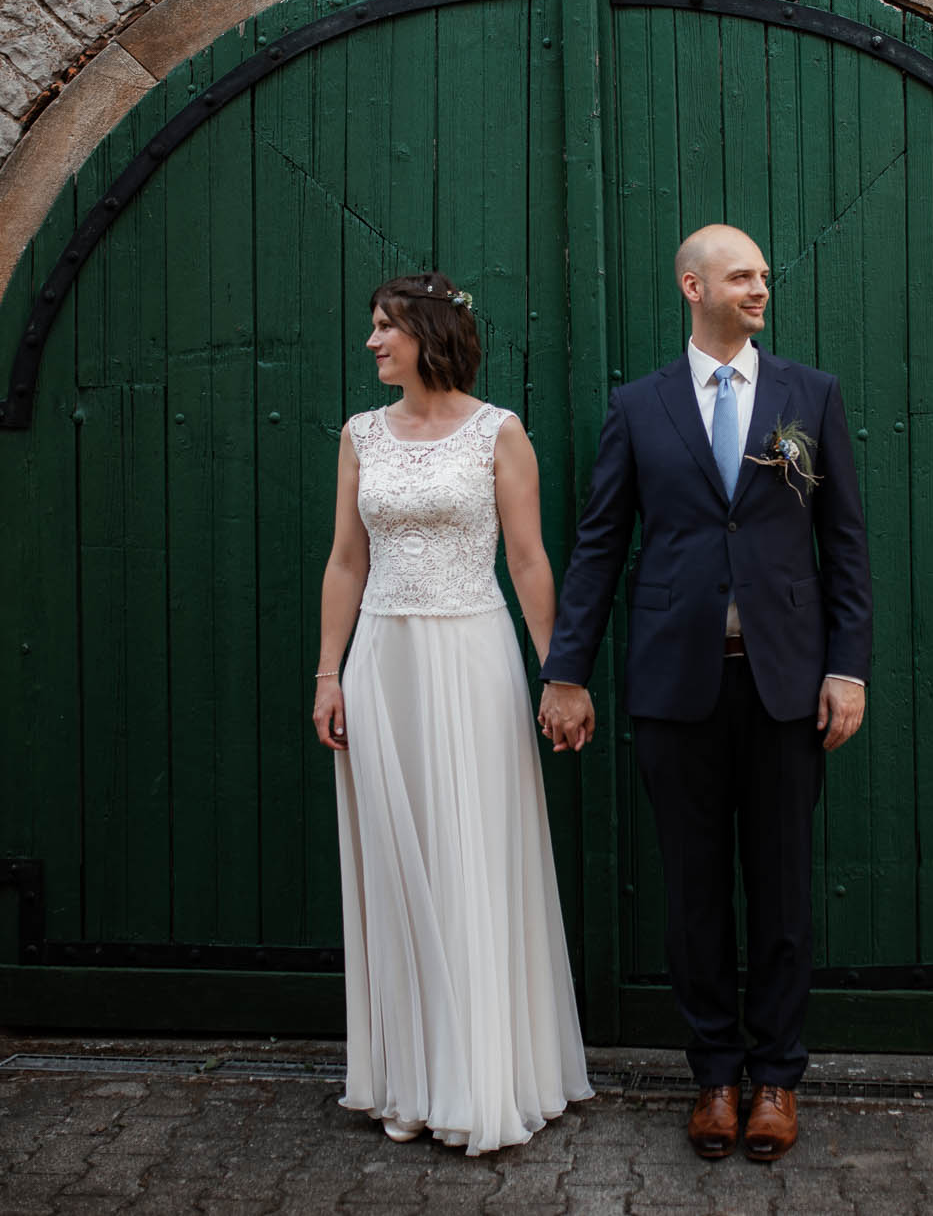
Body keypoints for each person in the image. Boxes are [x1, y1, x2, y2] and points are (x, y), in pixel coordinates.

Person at [538, 225, 874, 1163]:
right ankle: (714, 1077)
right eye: (741, 275)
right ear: (694, 285)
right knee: (692, 893)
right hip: (674, 686)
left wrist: (847, 667)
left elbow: (844, 545)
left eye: (764, 275)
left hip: (786, 686)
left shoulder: (810, 395)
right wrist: (568, 668)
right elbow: (601, 543)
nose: (759, 287)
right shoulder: (638, 406)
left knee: (780, 889)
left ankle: (776, 1078)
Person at [312, 272, 592, 1155]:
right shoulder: (361, 434)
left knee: (474, 852)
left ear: (428, 333)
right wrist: (329, 673)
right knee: (398, 857)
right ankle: (411, 1074)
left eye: (385, 327)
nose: (371, 343)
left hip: (471, 654)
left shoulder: (499, 432)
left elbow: (528, 560)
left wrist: (561, 675)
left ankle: (486, 1075)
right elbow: (346, 560)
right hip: (383, 659)